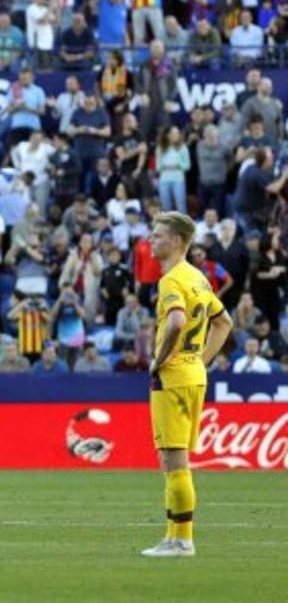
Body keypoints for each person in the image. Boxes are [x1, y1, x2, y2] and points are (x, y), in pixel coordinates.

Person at [141, 212, 233, 558]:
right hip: (193, 375)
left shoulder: (171, 281)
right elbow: (223, 323)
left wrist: (160, 359)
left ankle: (181, 541)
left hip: (174, 377)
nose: (152, 240)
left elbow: (177, 321)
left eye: (159, 235)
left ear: (177, 241)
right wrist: (200, 361)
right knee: (175, 459)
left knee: (174, 461)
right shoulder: (199, 278)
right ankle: (174, 536)